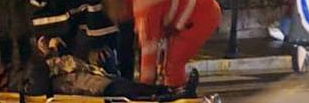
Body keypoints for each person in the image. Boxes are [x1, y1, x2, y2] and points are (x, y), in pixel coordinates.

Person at [106, 0, 219, 95]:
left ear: (121, 8)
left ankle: (176, 95)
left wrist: (145, 89)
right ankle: (175, 92)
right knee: (168, 64)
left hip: (201, 15)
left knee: (173, 64)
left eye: (119, 18)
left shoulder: (143, 5)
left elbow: (149, 50)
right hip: (201, 8)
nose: (123, 21)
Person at [22, 35, 190, 100]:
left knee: (129, 87)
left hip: (91, 78)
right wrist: (45, 54)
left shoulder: (35, 64)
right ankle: (167, 94)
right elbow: (39, 84)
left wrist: (51, 51)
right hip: (86, 85)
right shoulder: (24, 74)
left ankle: (171, 92)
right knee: (127, 90)